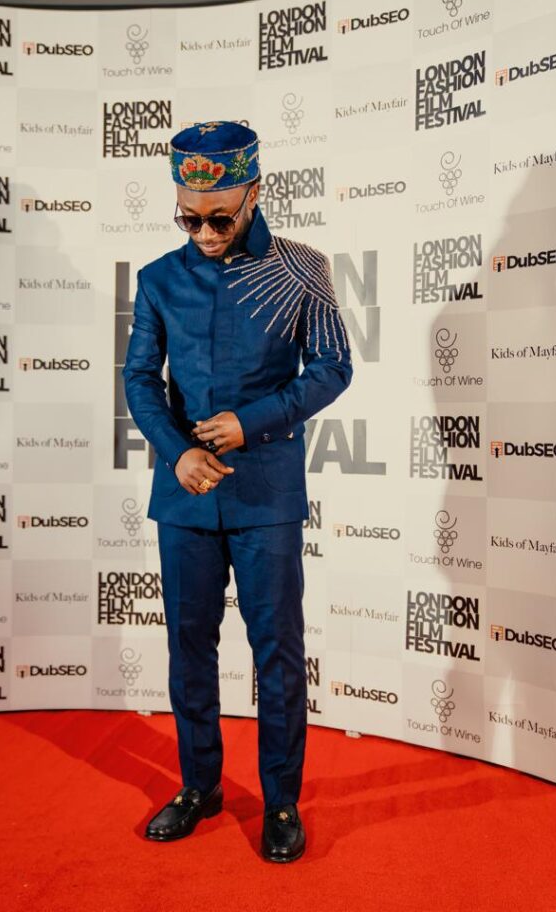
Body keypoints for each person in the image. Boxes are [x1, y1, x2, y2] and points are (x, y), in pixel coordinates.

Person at [122, 120, 353, 862]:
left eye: (219, 217)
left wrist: (250, 422)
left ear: (254, 193)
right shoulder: (158, 279)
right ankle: (199, 787)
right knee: (188, 647)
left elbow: (333, 368)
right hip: (184, 495)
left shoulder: (301, 269)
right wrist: (177, 452)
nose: (205, 233)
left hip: (266, 494)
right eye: (188, 218)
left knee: (276, 650)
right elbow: (139, 379)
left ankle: (281, 800)